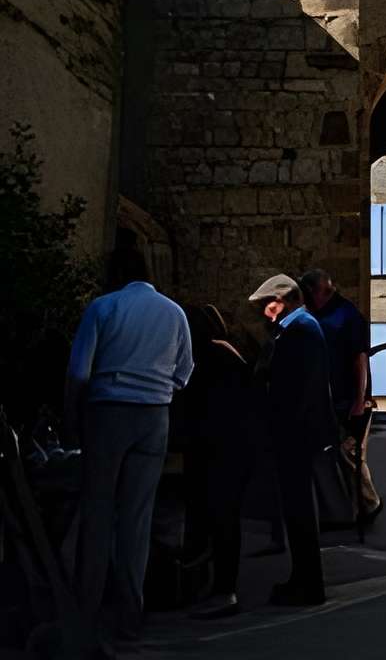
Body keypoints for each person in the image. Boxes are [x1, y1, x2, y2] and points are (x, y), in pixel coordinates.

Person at [66, 239, 193, 641]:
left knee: (98, 511)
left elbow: (78, 373)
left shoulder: (103, 307)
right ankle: (129, 614)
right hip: (155, 417)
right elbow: (184, 371)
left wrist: (74, 418)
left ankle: (87, 610)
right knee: (138, 518)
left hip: (109, 412)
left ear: (115, 274)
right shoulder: (174, 313)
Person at [248, 273, 333, 606]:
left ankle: (308, 585)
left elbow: (297, 390)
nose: (265, 314)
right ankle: (303, 579)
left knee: (300, 513)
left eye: (267, 306)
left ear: (282, 301)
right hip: (297, 434)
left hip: (295, 436)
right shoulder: (298, 330)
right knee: (297, 512)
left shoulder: (301, 331)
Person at [178, 306, 252, 612]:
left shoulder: (207, 359)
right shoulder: (231, 354)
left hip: (216, 450)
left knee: (218, 520)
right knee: (225, 519)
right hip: (233, 448)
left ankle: (223, 590)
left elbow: (193, 405)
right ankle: (221, 587)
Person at [299, 267, 381, 519]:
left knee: (350, 454)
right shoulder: (316, 314)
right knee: (328, 455)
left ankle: (369, 505)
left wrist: (359, 401)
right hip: (329, 399)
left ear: (317, 291)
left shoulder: (346, 316)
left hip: (351, 399)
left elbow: (360, 360)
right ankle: (341, 510)